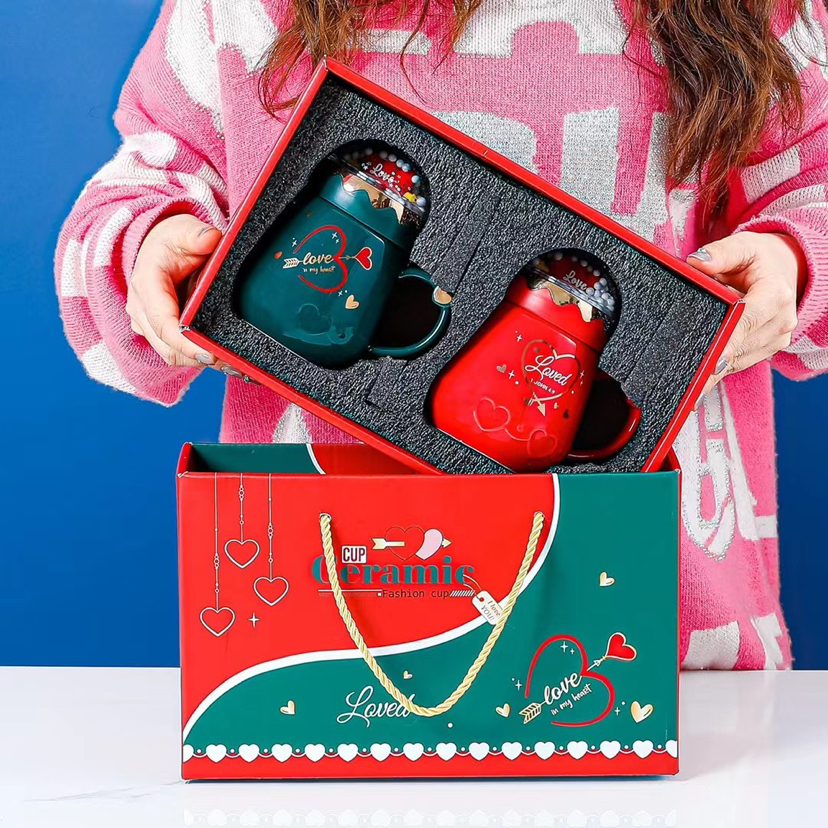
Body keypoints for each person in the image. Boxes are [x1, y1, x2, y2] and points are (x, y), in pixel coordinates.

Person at [56, 0, 828, 669]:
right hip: (326, 615)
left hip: (654, 626)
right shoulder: (245, 12)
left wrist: (792, 265)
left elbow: (813, 187)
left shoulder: (759, 13)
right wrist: (149, 246)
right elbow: (144, 184)